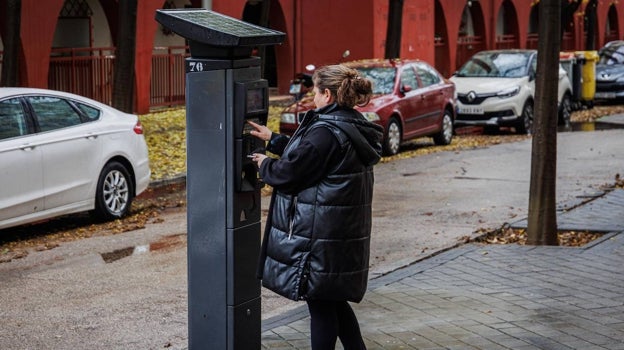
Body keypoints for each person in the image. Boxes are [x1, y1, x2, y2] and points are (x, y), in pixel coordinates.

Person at [248, 64, 384, 350]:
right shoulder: (349, 124)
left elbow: (291, 172)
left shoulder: (326, 131)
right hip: (338, 231)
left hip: (319, 234)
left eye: (315, 91)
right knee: (332, 301)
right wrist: (274, 140)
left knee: (321, 305)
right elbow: (313, 157)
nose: (313, 96)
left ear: (328, 94)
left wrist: (265, 164)